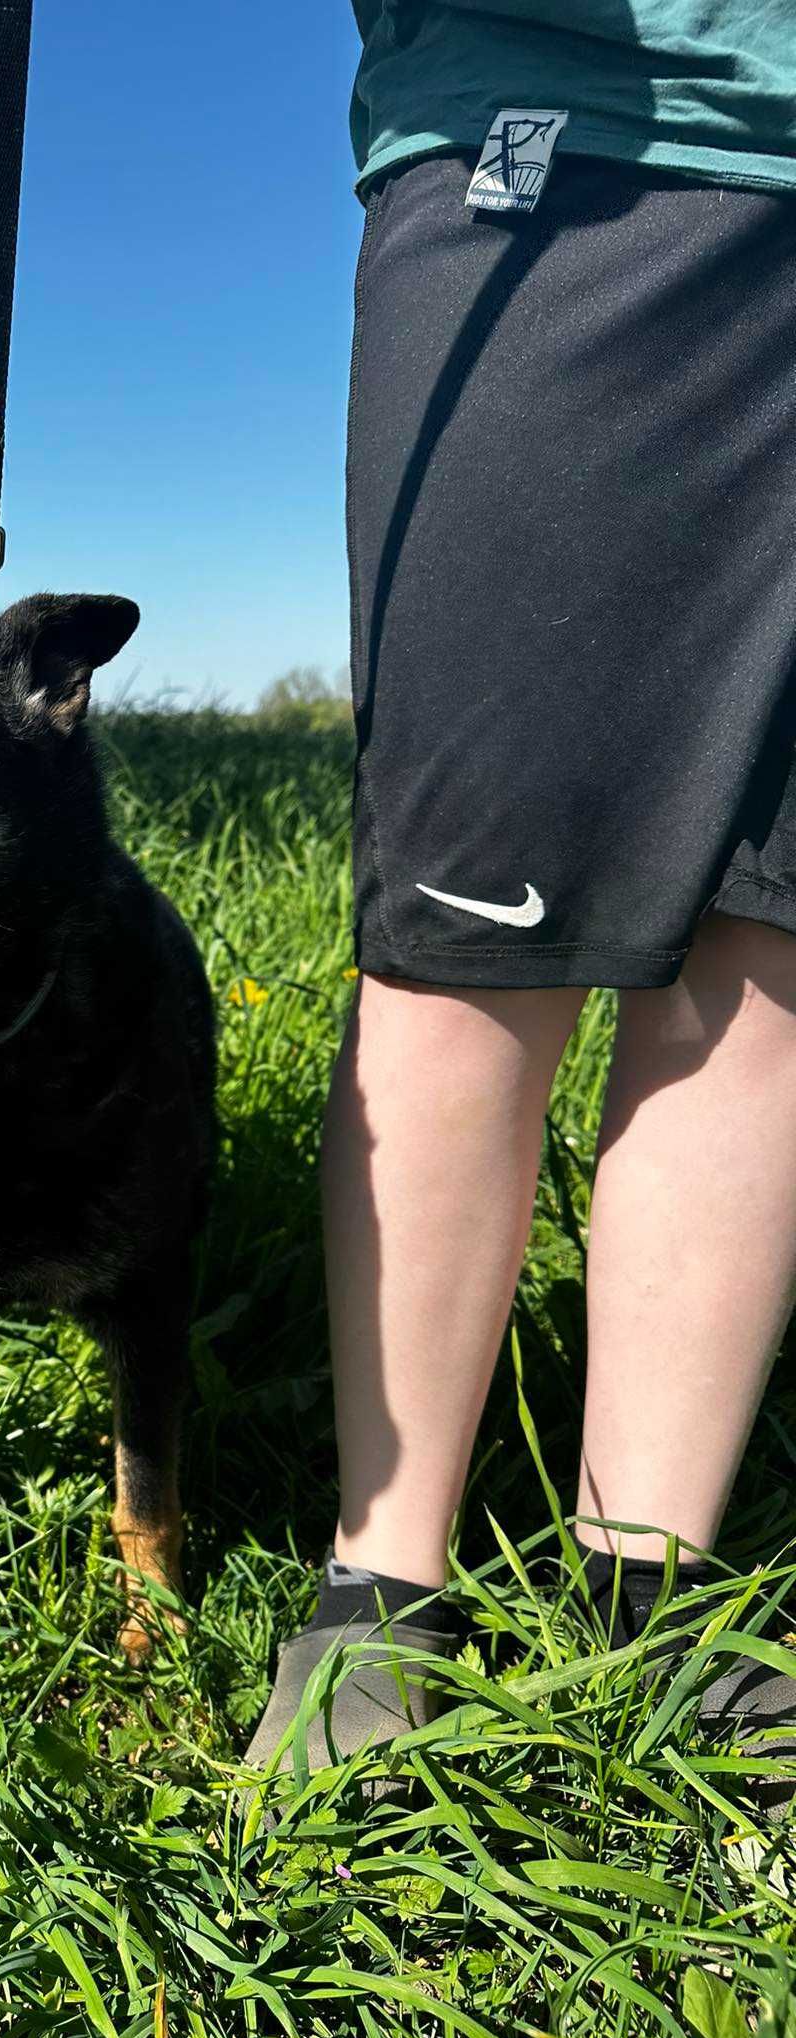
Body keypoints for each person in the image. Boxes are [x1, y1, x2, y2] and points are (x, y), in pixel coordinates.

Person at [247, 0, 796, 1769]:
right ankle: (381, 1591)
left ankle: (654, 1598)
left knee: (770, 937)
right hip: (581, 149)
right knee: (471, 933)